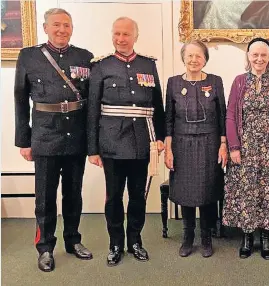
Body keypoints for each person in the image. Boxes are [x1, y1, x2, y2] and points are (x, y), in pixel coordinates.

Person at [14, 8, 93, 272]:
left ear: (72, 28)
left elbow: (91, 102)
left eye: (67, 25)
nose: (62, 30)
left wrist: (92, 142)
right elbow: (20, 100)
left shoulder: (85, 57)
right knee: (45, 197)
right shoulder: (29, 56)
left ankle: (73, 240)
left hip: (75, 136)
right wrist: (24, 140)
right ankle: (45, 247)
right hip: (45, 135)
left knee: (74, 194)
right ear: (45, 27)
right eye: (56, 25)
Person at [87, 17, 165, 266]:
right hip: (111, 143)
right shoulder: (101, 66)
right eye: (117, 34)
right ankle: (115, 243)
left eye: (126, 34)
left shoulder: (148, 65)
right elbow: (92, 111)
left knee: (138, 196)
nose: (121, 39)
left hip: (142, 141)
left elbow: (158, 105)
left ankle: (135, 241)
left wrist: (160, 137)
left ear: (135, 36)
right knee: (113, 198)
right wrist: (92, 149)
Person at [223, 38, 269, 260]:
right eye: (255, 55)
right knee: (246, 191)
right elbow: (231, 116)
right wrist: (233, 146)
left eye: (264, 55)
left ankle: (265, 237)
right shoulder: (239, 82)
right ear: (248, 56)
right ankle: (246, 237)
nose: (259, 59)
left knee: (268, 192)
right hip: (244, 149)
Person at [164, 40, 227, 258]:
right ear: (183, 58)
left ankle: (207, 237)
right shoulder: (172, 83)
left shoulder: (215, 81)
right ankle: (188, 237)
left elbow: (222, 117)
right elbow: (169, 120)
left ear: (205, 59)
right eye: (189, 56)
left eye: (198, 56)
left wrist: (223, 145)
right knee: (186, 191)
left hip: (210, 144)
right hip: (182, 145)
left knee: (208, 190)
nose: (194, 60)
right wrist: (169, 149)